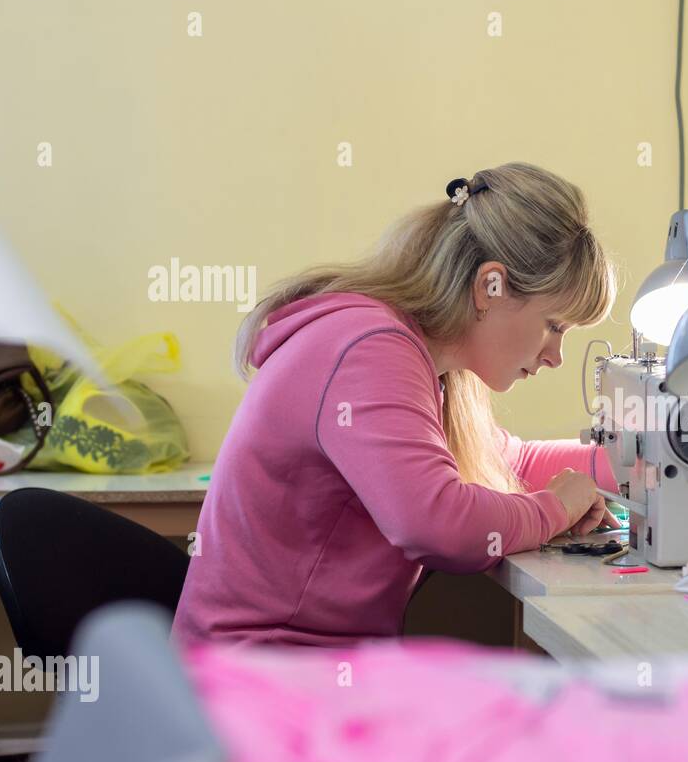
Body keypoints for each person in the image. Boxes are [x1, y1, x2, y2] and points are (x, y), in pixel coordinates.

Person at [173, 163, 621, 646]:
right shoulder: (369, 348)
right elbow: (436, 523)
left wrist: (644, 461)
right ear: (490, 285)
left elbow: (512, 462)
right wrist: (554, 508)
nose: (555, 356)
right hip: (259, 676)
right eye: (555, 326)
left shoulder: (432, 365)